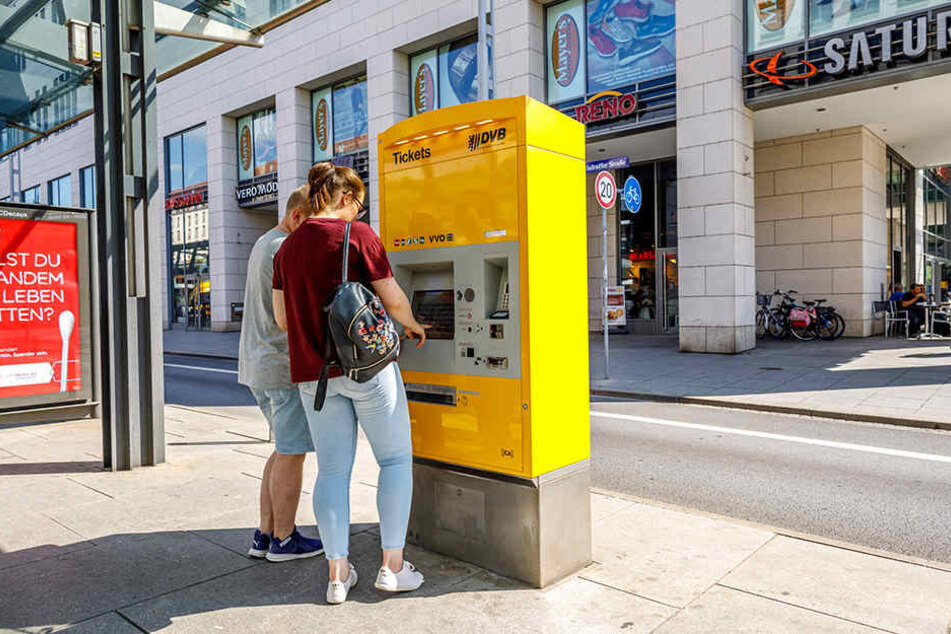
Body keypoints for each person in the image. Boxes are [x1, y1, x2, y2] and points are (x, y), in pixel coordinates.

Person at [272, 162, 429, 605]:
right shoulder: (358, 236)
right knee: (395, 460)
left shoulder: (285, 249)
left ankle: (338, 575)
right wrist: (413, 325)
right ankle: (393, 568)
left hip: (314, 377)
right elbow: (392, 297)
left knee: (333, 471)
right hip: (368, 370)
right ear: (345, 198)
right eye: (359, 204)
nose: (360, 212)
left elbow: (283, 319)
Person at [238, 184, 324, 562]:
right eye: (313, 224)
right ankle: (285, 540)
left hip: (259, 365)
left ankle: (265, 533)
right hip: (280, 366)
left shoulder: (263, 243)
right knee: (293, 453)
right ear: (297, 217)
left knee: (279, 452)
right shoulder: (285, 248)